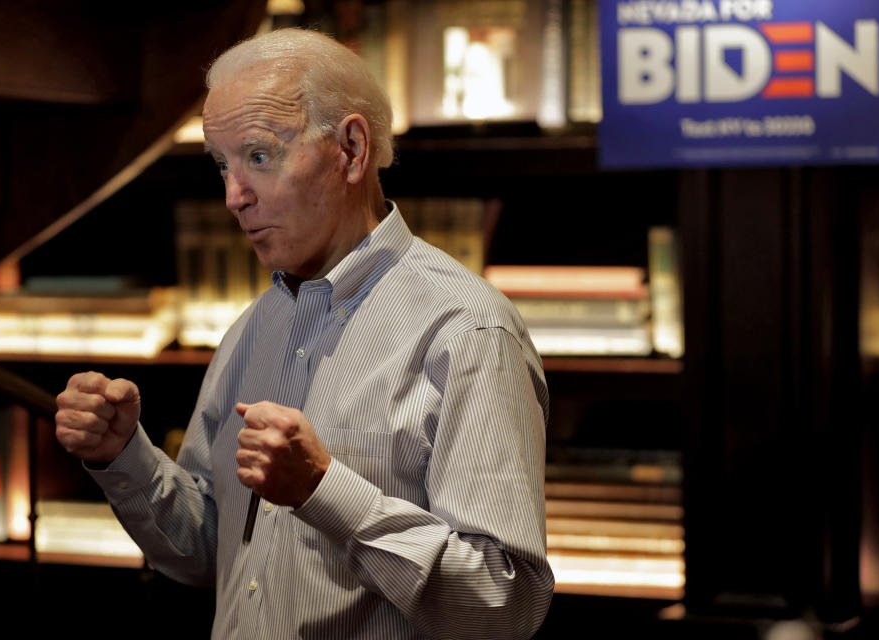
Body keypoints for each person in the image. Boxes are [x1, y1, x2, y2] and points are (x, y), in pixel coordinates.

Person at [55, 27, 554, 639]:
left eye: (260, 156)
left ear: (350, 149)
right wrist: (122, 454)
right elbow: (208, 552)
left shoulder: (466, 331)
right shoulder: (254, 326)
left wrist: (324, 491)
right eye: (222, 165)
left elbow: (504, 605)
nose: (235, 197)